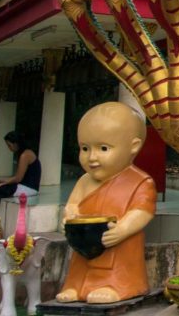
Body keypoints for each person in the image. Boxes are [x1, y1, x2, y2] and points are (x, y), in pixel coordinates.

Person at [57, 102, 157, 304]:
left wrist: (123, 229)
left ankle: (118, 286)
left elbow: (143, 210)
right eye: (85, 148)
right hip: (85, 241)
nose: (92, 157)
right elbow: (73, 204)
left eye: (103, 148)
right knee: (80, 263)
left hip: (116, 240)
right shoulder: (85, 181)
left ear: (133, 146)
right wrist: (68, 217)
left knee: (118, 262)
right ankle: (76, 287)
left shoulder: (140, 181)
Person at [0, 131, 41, 209]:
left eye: (9, 145)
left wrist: (3, 183)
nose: (9, 148)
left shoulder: (25, 155)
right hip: (24, 186)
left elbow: (18, 178)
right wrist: (5, 181)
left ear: (15, 144)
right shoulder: (25, 153)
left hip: (28, 188)